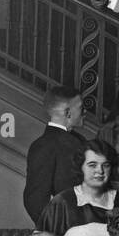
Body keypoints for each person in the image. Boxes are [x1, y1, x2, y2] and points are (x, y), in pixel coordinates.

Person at [23, 86, 87, 223]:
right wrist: (55, 230)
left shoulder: (80, 141)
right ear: (68, 113)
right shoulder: (44, 146)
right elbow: (35, 200)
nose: (85, 111)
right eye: (81, 107)